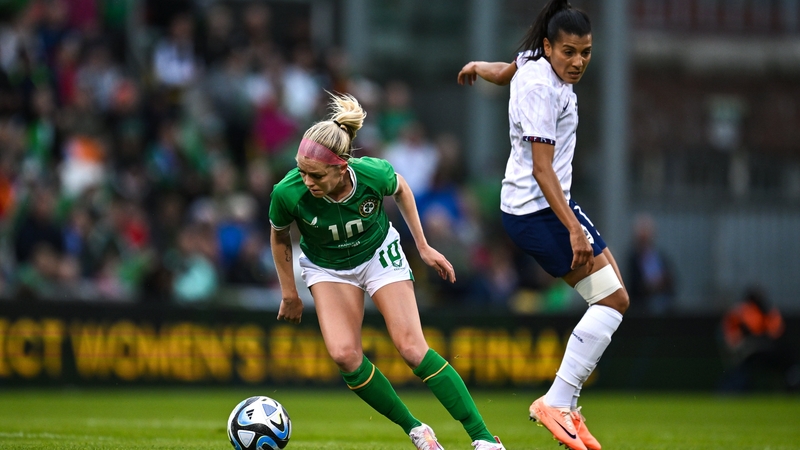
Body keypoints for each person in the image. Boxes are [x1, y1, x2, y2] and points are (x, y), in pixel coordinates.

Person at [269, 92, 506, 450]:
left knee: (412, 348)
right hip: (328, 267)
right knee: (345, 355)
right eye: (301, 171)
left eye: (315, 174)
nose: (306, 181)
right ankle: (416, 429)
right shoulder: (287, 192)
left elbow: (403, 189)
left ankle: (484, 439)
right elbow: (279, 235)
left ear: (341, 167)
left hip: (379, 254)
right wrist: (289, 291)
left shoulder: (371, 174)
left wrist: (423, 246)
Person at [457, 1, 630, 449]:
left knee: (617, 296)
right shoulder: (540, 90)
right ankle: (556, 401)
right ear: (550, 46)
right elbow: (541, 169)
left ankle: (566, 405)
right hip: (537, 211)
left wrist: (480, 67)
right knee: (610, 301)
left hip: (550, 204)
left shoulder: (533, 61)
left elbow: (506, 69)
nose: (577, 62)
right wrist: (573, 228)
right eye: (569, 52)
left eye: (586, 53)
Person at [720, 287, 800, 392]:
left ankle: (792, 383)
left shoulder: (767, 311)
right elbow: (732, 338)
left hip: (767, 351)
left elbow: (776, 332)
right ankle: (736, 387)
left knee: (789, 355)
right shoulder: (742, 312)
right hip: (749, 353)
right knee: (744, 365)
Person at [627, 214, 676, 315]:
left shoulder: (661, 257)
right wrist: (650, 285)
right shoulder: (633, 259)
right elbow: (633, 285)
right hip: (642, 310)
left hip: (664, 308)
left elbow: (672, 282)